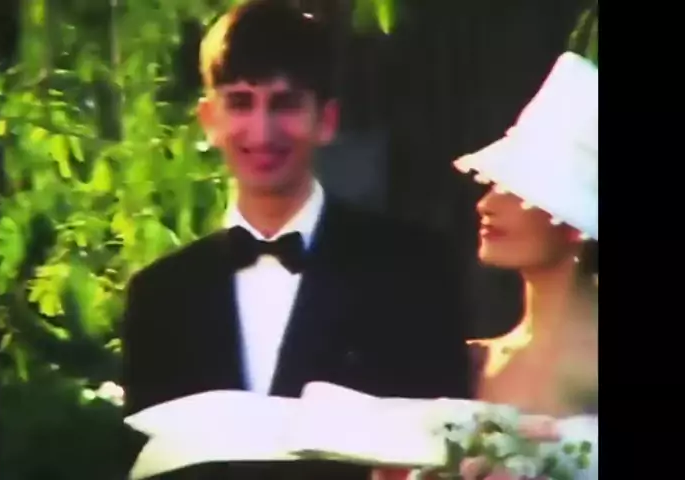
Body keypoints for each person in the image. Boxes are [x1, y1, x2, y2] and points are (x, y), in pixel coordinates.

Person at [120, 1, 473, 479]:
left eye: (285, 103)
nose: (262, 131)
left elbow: (445, 455)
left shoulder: (412, 269)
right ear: (209, 118)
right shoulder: (159, 295)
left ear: (326, 119)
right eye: (240, 102)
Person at [375, 51, 599, 480]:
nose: (486, 204)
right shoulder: (471, 361)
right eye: (496, 185)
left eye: (518, 191)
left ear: (573, 223)